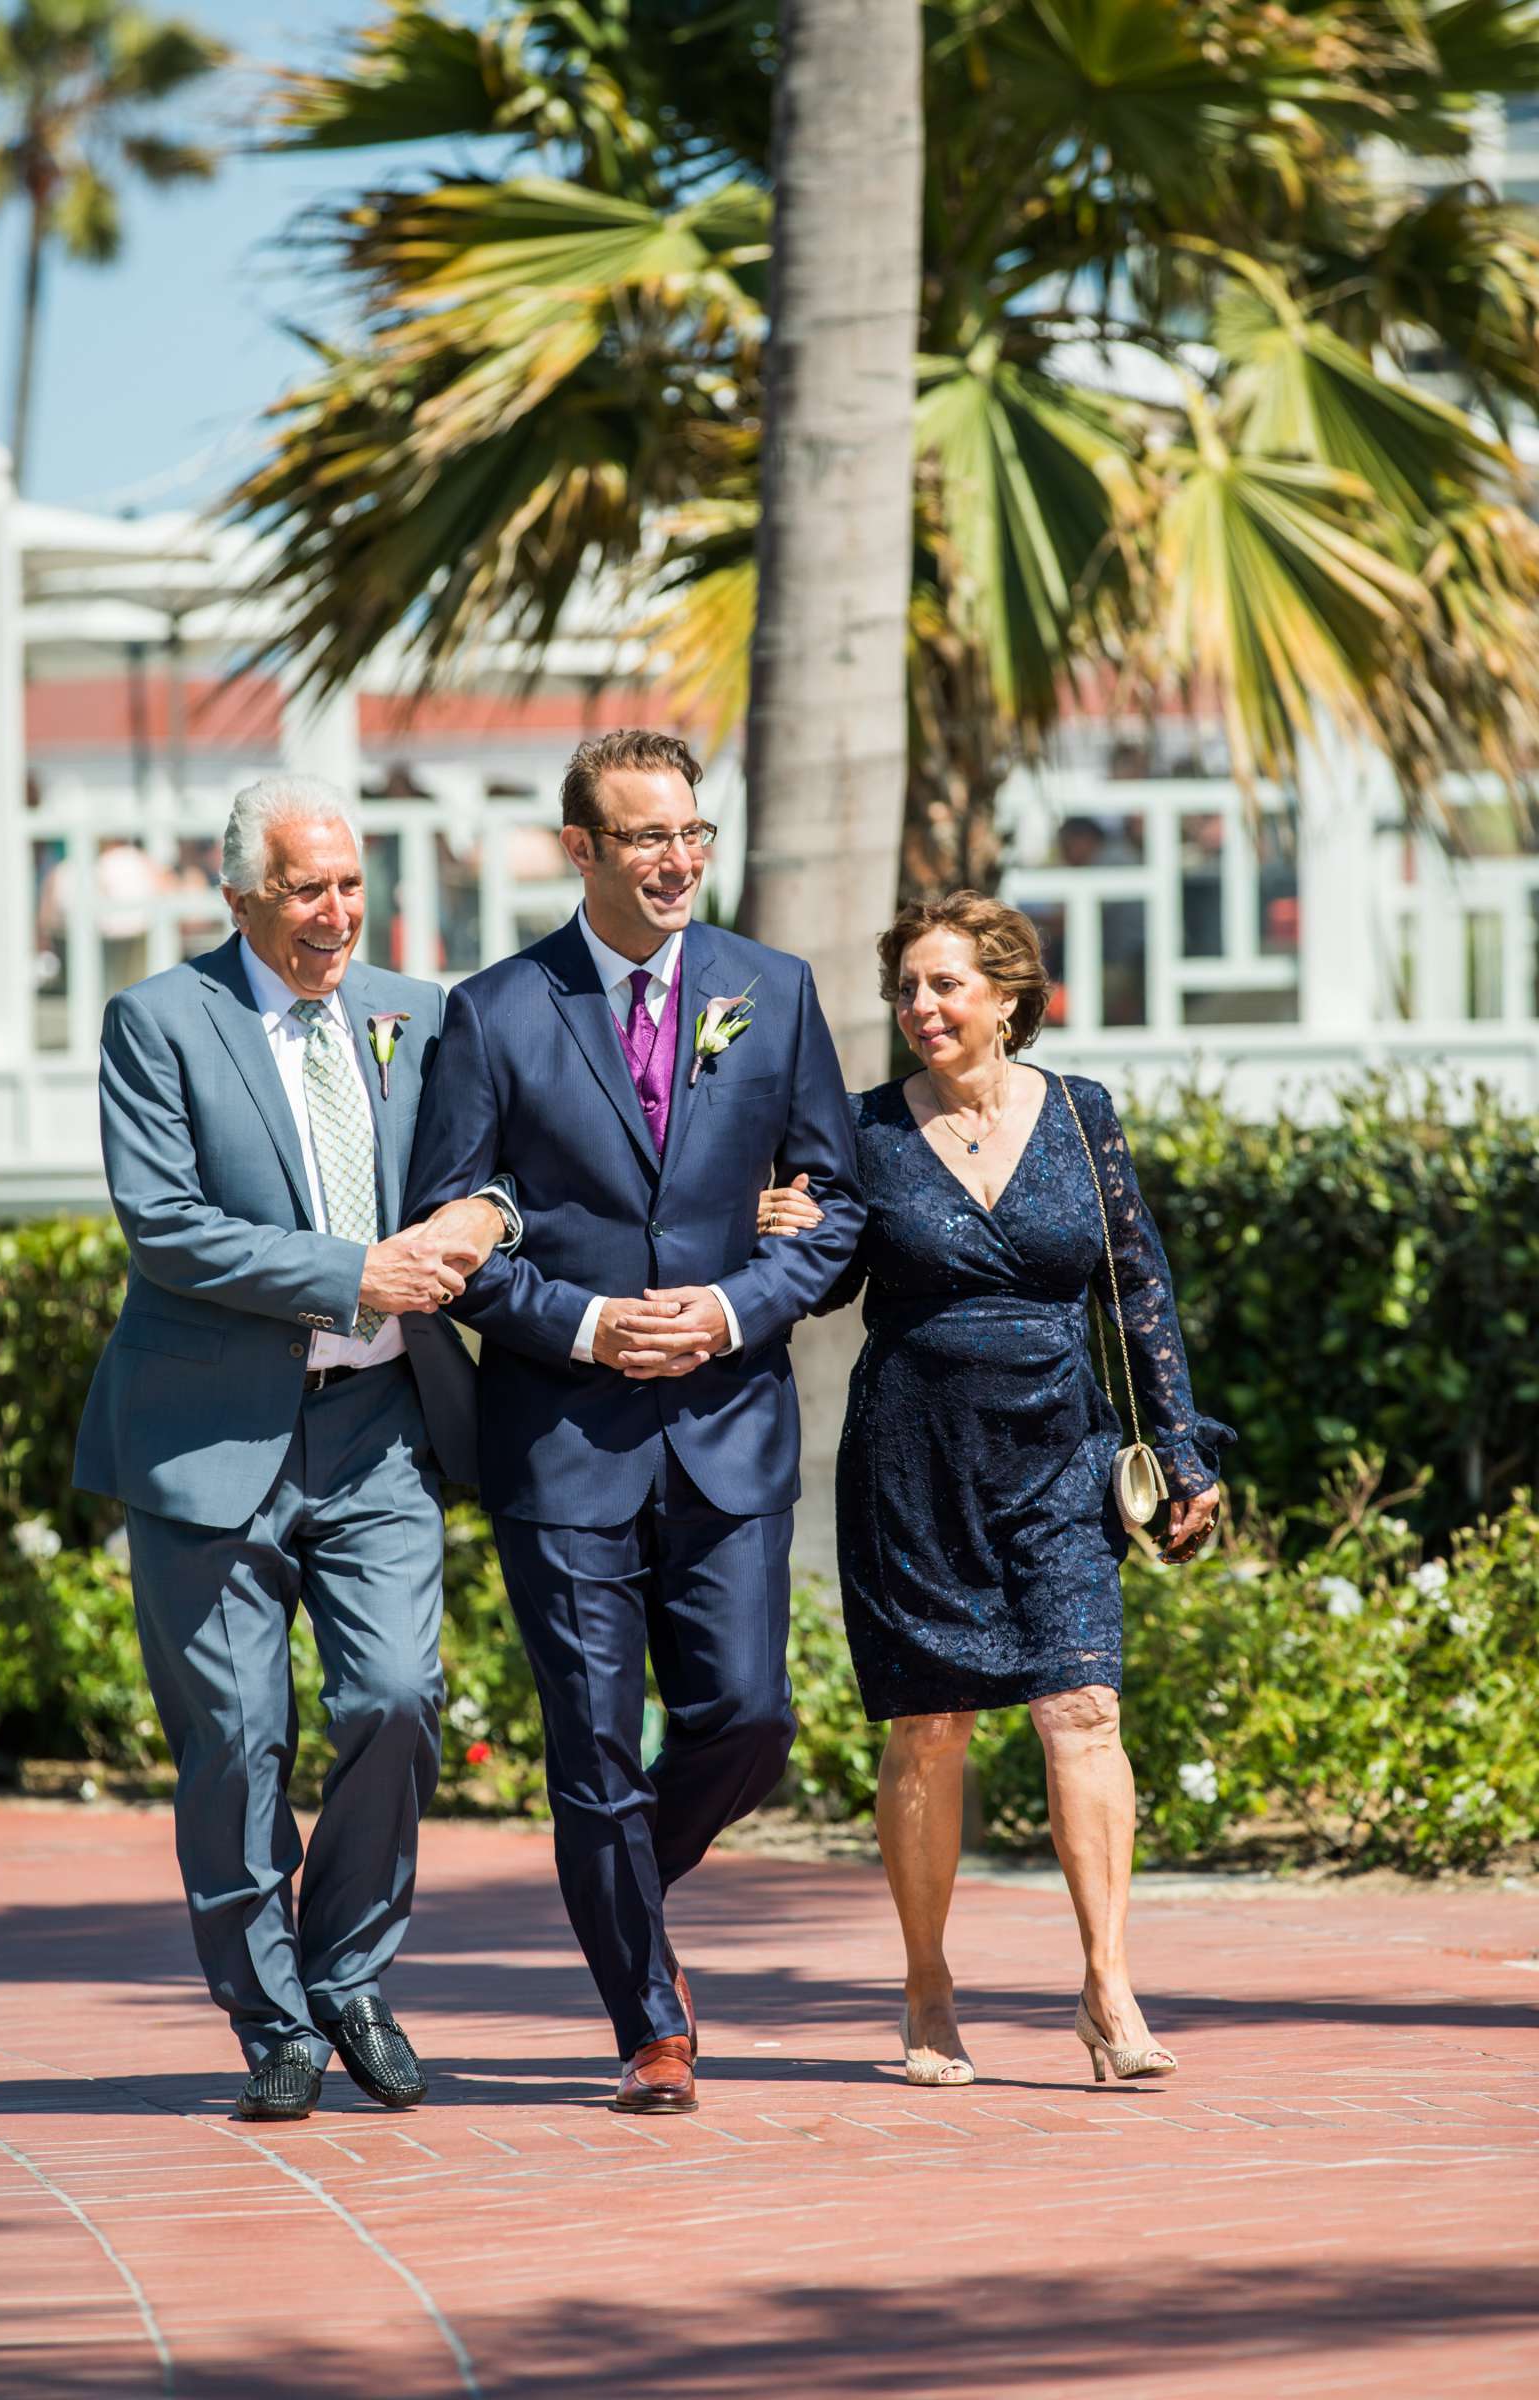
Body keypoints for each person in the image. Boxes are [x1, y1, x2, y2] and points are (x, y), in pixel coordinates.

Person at [404, 727, 864, 2115]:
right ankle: (649, 2022)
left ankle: (610, 1876)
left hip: (728, 1420)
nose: (676, 862)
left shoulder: (769, 993)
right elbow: (453, 1236)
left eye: (693, 835)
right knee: (594, 1752)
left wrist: (729, 1308)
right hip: (561, 1442)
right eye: (647, 838)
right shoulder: (493, 1011)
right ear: (583, 850)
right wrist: (593, 1324)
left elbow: (833, 1207)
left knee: (752, 1719)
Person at [74, 774, 519, 2122]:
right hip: (206, 1436)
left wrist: (484, 1217)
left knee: (395, 1698)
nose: (336, 915)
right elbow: (165, 1225)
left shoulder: (418, 1014)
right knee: (237, 1737)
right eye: (306, 891)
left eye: (349, 887)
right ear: (239, 896)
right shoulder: (160, 1022)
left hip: (382, 1427)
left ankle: (348, 1976)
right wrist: (352, 1271)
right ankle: (272, 2020)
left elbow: (487, 1167)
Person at [815, 891, 1231, 2088]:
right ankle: (927, 1983)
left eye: (944, 985)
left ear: (1007, 995)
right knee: (928, 1725)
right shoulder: (862, 1131)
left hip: (1059, 1450)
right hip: (913, 1461)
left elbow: (1135, 1289)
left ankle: (1107, 1989)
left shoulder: (1082, 1116)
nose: (921, 1008)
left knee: (1083, 1710)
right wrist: (781, 1227)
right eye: (905, 989)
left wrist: (1181, 1449)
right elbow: (824, 1290)